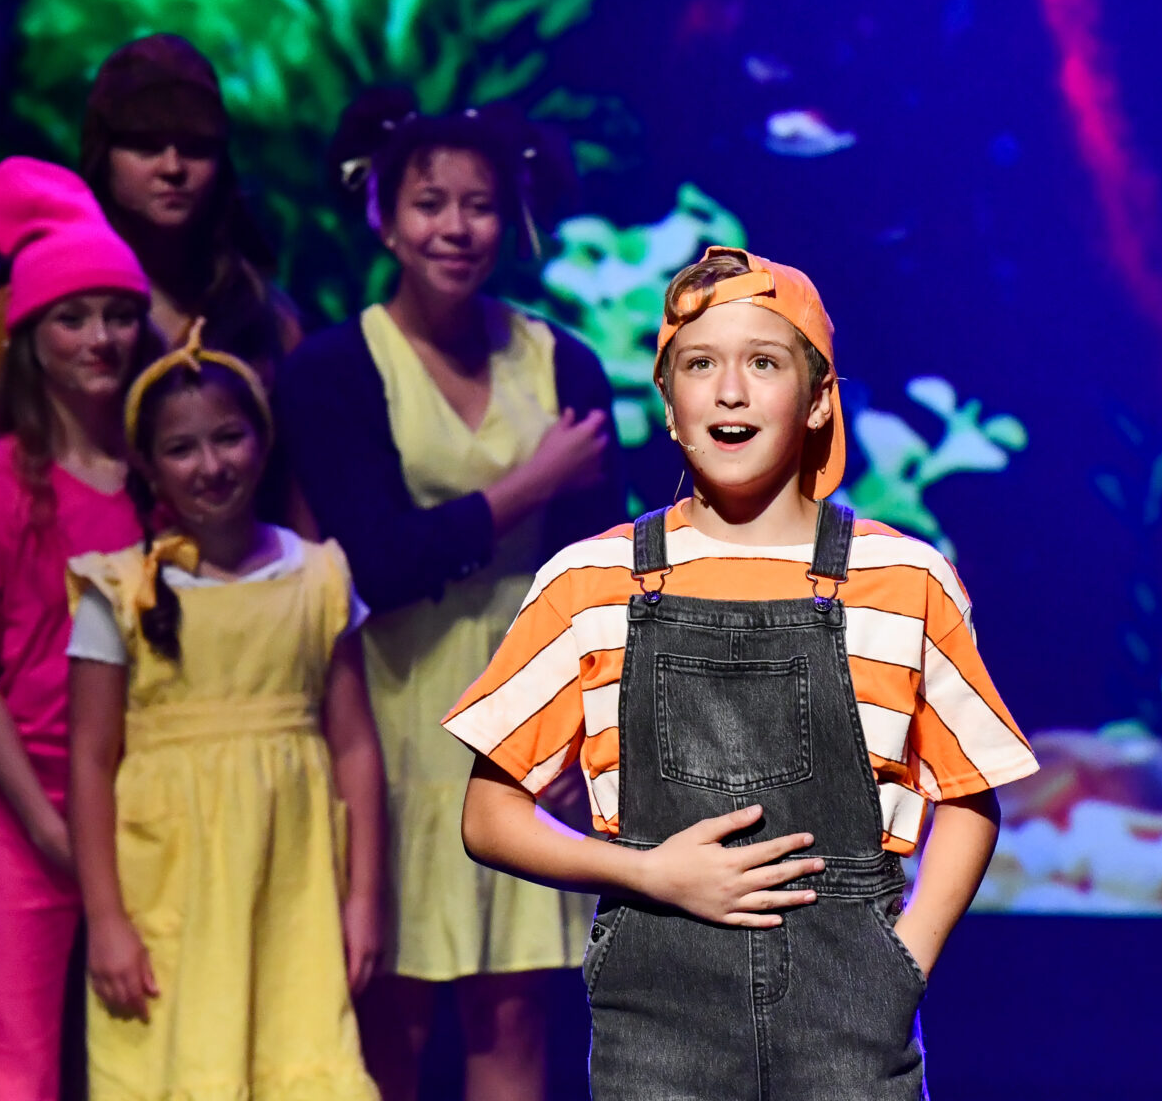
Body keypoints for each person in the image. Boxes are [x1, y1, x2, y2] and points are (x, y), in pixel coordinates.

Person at [449, 247, 1041, 1098]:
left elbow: (970, 792)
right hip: (659, 1019)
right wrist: (646, 872)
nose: (730, 390)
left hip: (848, 1018)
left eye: (764, 363)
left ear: (818, 398)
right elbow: (488, 815)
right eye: (700, 365)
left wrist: (903, 963)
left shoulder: (902, 578)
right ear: (669, 404)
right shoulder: (592, 581)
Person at [274, 90, 627, 1101]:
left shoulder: (564, 363)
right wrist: (528, 483)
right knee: (391, 1016)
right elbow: (376, 562)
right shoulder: (334, 370)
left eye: (479, 204)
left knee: (511, 1014)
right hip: (386, 722)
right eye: (430, 203)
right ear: (385, 218)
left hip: (524, 726)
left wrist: (586, 732)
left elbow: (606, 576)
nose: (456, 227)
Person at [65, 322, 385, 1100]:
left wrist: (364, 898)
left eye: (229, 438)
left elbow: (355, 747)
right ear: (148, 466)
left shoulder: (317, 577)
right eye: (181, 449)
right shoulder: (120, 591)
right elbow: (90, 761)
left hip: (293, 885)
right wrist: (105, 918)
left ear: (263, 443)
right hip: (170, 887)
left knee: (300, 1064)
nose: (210, 466)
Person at [0, 156, 163, 1101]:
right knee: (17, 1070)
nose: (100, 338)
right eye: (73, 317)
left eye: (117, 314)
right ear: (31, 337)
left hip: (150, 801)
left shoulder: (165, 479)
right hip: (22, 805)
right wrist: (41, 822)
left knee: (156, 1056)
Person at [0, 33, 299, 457]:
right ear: (104, 154)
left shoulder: (265, 314)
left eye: (196, 148)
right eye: (146, 146)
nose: (173, 168)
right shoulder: (27, 302)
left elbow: (296, 473)